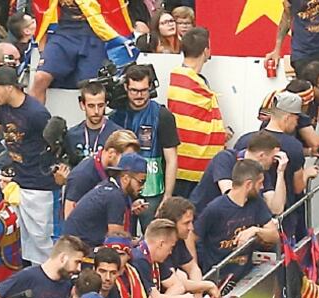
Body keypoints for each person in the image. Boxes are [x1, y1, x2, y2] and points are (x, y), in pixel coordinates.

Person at [0, 66, 58, 265]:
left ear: (10, 88)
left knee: (42, 241)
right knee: (26, 241)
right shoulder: (4, 108)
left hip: (39, 184)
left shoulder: (36, 113)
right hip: (18, 181)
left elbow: (55, 145)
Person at [235, 91, 318, 242]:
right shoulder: (293, 146)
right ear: (287, 118)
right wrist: (307, 174)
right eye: (296, 119)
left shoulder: (244, 141)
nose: (297, 124)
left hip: (244, 219)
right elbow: (298, 187)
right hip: (282, 220)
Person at [108, 65, 180, 225]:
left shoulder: (163, 115)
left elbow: (172, 159)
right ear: (126, 87)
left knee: (152, 239)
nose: (139, 95)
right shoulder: (116, 117)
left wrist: (168, 196)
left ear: (151, 88)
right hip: (122, 191)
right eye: (134, 90)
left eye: (144, 90)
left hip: (152, 192)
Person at [167, 28, 225, 198]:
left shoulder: (183, 79)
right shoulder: (190, 82)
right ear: (206, 51)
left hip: (185, 166)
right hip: (191, 168)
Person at [191, 159, 276, 273]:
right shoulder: (215, 208)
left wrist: (255, 230)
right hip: (219, 276)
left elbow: (274, 235)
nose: (261, 188)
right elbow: (191, 236)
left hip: (245, 273)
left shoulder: (256, 202)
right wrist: (194, 268)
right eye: (260, 183)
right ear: (248, 184)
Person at [191, 131, 287, 216]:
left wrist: (280, 172)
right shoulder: (225, 158)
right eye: (273, 158)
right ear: (262, 155)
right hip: (202, 217)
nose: (274, 162)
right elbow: (230, 197)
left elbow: (276, 209)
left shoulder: (261, 172)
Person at [64, 152, 147, 247]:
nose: (142, 187)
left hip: (73, 244)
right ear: (125, 178)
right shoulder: (115, 197)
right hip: (80, 250)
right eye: (141, 181)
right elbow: (116, 243)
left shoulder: (108, 186)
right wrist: (138, 243)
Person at [63, 129, 139, 218]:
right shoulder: (82, 176)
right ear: (111, 153)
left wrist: (130, 206)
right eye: (127, 158)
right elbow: (70, 218)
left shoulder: (117, 170)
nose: (130, 164)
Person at [66, 81, 121, 163]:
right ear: (82, 105)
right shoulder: (72, 135)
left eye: (100, 105)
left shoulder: (118, 135)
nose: (96, 111)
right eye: (91, 106)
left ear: (106, 104)